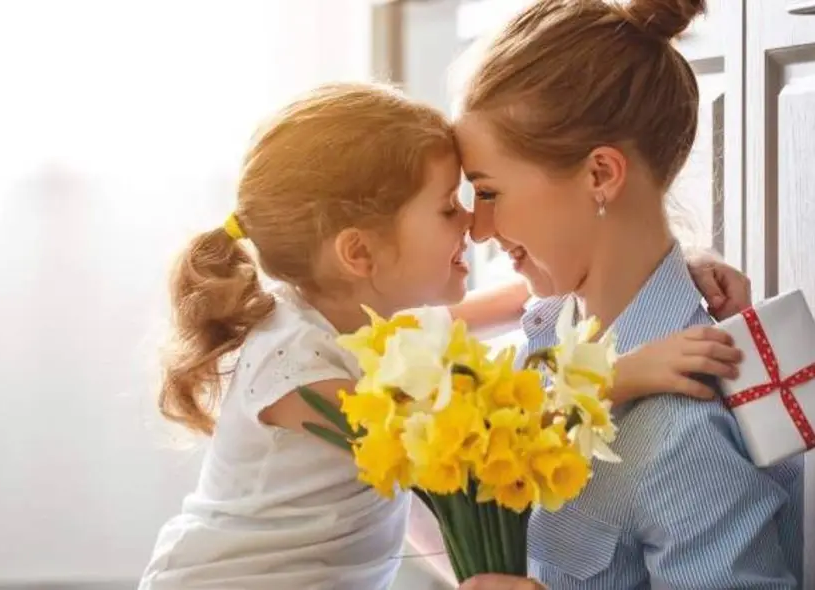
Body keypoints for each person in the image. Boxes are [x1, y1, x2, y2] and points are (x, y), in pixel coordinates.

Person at [140, 82, 747, 590]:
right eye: (448, 207)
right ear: (360, 253)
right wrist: (620, 375)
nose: (474, 224)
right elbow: (464, 441)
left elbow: (532, 292)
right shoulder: (298, 369)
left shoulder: (364, 322)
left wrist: (673, 265)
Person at [451, 0, 804, 587]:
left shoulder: (679, 433)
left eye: (488, 193)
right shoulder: (542, 340)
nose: (479, 229)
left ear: (600, 175)